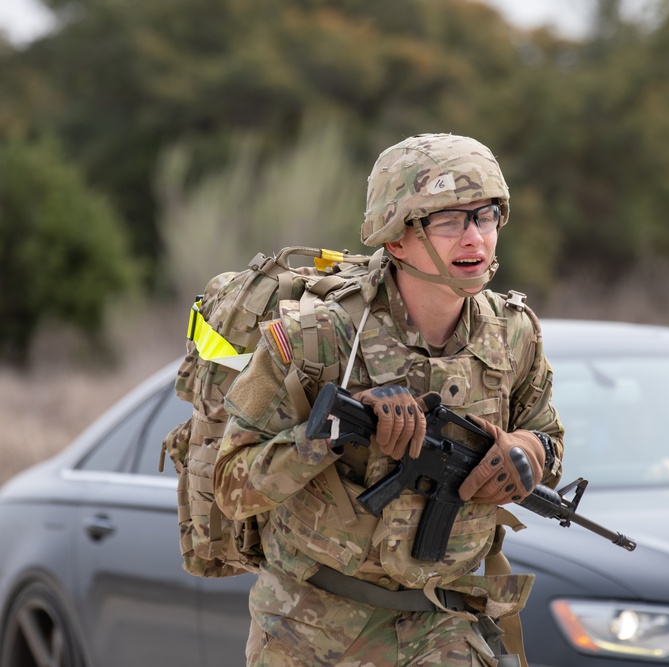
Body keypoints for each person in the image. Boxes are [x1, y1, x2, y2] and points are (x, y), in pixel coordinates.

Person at [214, 133, 564, 667]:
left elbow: (549, 439)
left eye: (486, 216)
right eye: (448, 221)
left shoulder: (514, 335)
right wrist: (333, 434)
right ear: (396, 237)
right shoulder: (315, 339)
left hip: (445, 622)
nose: (475, 238)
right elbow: (231, 487)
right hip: (312, 629)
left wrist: (530, 454)